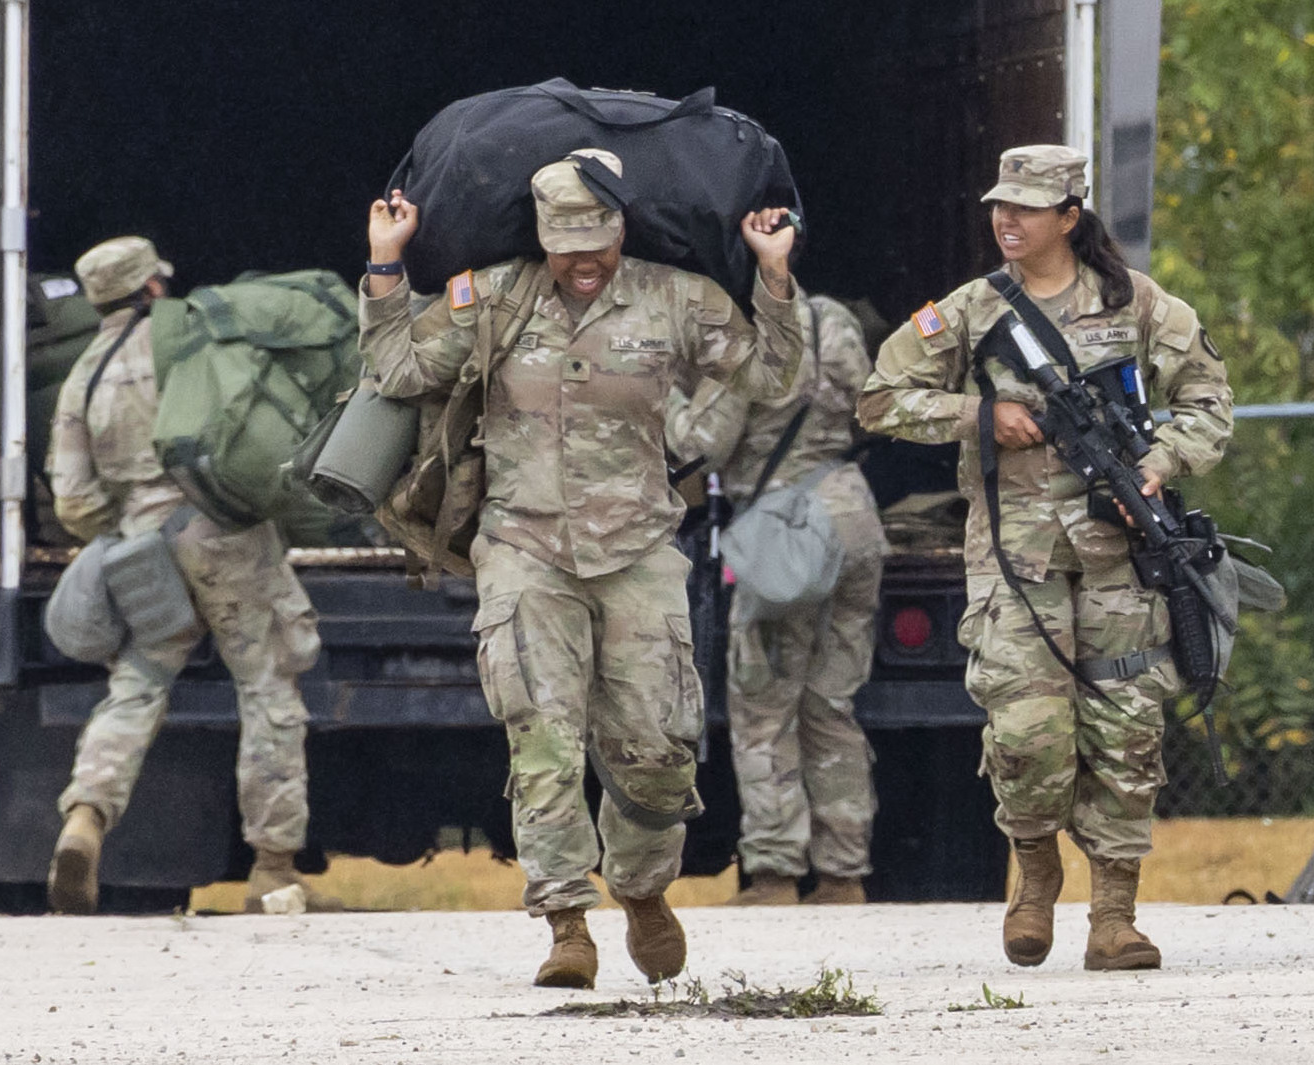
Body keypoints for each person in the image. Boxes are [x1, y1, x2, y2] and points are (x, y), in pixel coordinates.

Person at [359, 149, 802, 988]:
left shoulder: (673, 296)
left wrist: (773, 277)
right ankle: (565, 918)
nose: (581, 259)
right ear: (538, 237)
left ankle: (640, 889)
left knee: (658, 741)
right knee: (541, 735)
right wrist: (386, 261)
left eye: (595, 238)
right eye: (563, 242)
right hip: (524, 547)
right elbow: (396, 368)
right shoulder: (491, 295)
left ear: (621, 227)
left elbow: (773, 376)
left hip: (635, 548)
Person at [858, 146, 1232, 970]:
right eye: (1000, 204)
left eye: (1026, 207)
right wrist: (976, 414)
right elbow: (880, 397)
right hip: (1014, 555)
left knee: (1126, 729)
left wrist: (1160, 461)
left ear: (1069, 216)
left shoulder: (1134, 304)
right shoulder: (970, 310)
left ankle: (1113, 915)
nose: (1007, 220)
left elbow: (1207, 398)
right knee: (1026, 731)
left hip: (1118, 553)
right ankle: (1032, 874)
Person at [45, 236, 341, 916]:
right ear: (153, 287)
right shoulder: (198, 342)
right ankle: (272, 867)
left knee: (138, 683)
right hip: (228, 537)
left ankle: (86, 814)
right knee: (267, 685)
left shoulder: (82, 377)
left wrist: (130, 528)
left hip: (142, 549)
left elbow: (74, 500)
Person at [667, 291, 886, 906]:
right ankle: (844, 873)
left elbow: (700, 446)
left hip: (784, 526)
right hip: (852, 513)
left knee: (764, 706)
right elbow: (870, 405)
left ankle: (775, 872)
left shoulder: (745, 342)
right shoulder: (833, 317)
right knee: (832, 704)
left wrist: (669, 392)